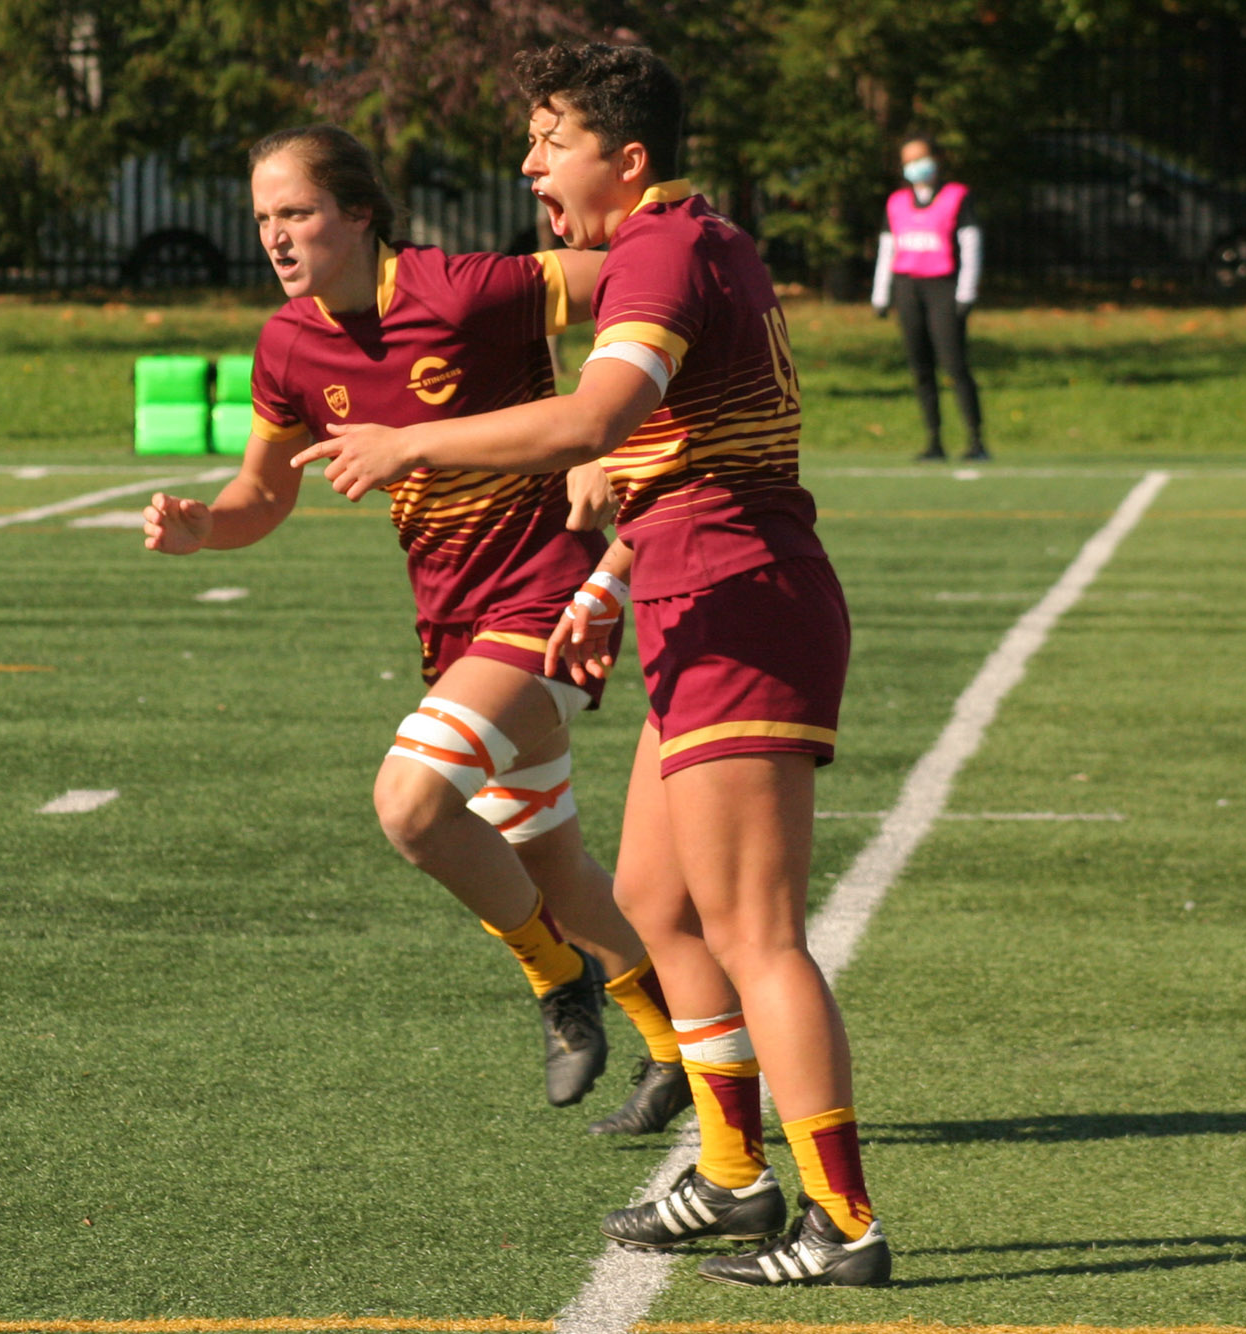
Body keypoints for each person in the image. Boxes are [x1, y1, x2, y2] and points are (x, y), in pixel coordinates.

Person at [293, 44, 890, 1288]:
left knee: (755, 930)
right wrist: (610, 580)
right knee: (661, 906)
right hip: (697, 584)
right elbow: (682, 454)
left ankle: (841, 1225)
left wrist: (412, 439)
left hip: (736, 596)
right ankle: (731, 1179)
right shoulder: (691, 244)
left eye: (547, 141)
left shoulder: (662, 251)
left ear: (626, 160)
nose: (527, 166)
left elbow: (593, 423)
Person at [140, 124, 692, 1134]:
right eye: (261, 218)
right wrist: (203, 529)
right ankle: (681, 1050)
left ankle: (555, 980)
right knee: (549, 865)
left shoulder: (467, 288)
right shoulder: (287, 343)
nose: (275, 235)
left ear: (358, 213)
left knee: (407, 802)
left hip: (549, 602)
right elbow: (261, 495)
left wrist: (607, 433)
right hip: (452, 625)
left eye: (296, 212)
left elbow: (647, 276)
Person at [871, 135, 987, 462]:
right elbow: (887, 249)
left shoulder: (956, 197)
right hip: (909, 288)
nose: (915, 166)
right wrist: (881, 295)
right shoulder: (896, 202)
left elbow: (971, 245)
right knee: (920, 367)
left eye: (920, 158)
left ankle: (976, 439)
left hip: (943, 288)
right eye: (908, 161)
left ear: (936, 159)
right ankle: (934, 439)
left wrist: (966, 292)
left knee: (954, 365)